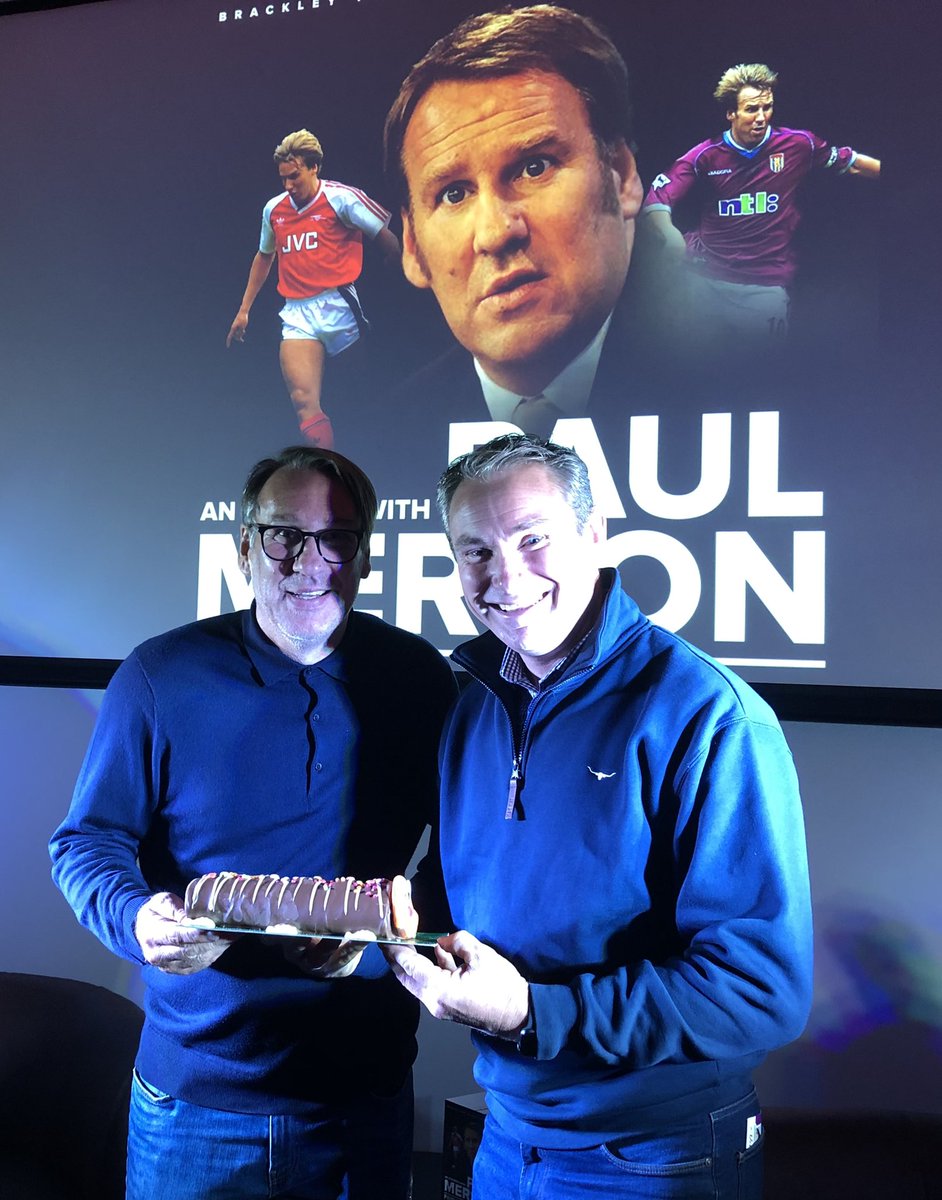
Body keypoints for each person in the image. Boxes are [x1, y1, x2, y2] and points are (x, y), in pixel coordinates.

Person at [386, 433, 813, 1199]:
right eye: (476, 551)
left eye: (532, 539)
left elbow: (759, 991)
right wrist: (357, 939)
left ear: (593, 535)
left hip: (656, 1155)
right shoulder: (472, 707)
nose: (505, 575)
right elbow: (450, 899)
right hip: (507, 1137)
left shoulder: (709, 714)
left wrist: (532, 1012)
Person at [49, 446, 457, 1200]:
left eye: (336, 538)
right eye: (284, 535)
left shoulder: (421, 680)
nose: (310, 562)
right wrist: (137, 919)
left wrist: (387, 939)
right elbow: (87, 841)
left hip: (362, 1095)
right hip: (194, 1104)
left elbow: (460, 858)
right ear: (244, 547)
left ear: (366, 556)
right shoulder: (160, 675)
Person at [382, 5, 647, 438]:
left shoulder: (744, 367)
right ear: (411, 247)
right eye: (454, 194)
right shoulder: (386, 433)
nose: (496, 233)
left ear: (621, 176)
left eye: (534, 167)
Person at [641, 63, 880, 344]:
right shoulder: (705, 155)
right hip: (704, 279)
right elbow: (657, 198)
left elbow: (853, 164)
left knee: (758, 363)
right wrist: (668, 234)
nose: (761, 117)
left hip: (765, 286)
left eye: (767, 108)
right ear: (731, 113)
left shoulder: (799, 144)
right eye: (751, 109)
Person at [227, 130, 401, 448]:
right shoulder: (274, 210)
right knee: (303, 400)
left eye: (294, 177)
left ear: (313, 167)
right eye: (283, 178)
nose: (288, 185)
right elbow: (265, 255)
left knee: (358, 395)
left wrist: (397, 269)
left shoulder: (341, 198)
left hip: (339, 305)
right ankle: (325, 467)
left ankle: (370, 456)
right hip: (297, 312)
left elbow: (386, 237)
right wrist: (244, 310)